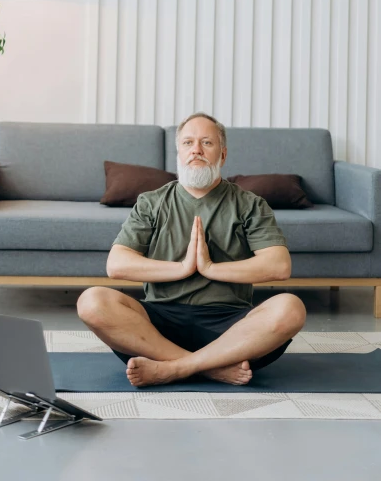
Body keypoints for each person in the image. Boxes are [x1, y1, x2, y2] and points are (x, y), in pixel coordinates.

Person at [77, 112, 307, 387]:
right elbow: (116, 265)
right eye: (188, 143)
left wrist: (211, 268)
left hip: (230, 327)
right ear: (179, 152)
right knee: (91, 301)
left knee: (291, 308)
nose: (196, 149)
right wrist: (183, 268)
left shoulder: (250, 204)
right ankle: (211, 368)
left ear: (222, 155)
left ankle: (174, 368)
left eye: (206, 143)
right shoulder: (151, 202)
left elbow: (279, 266)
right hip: (158, 325)